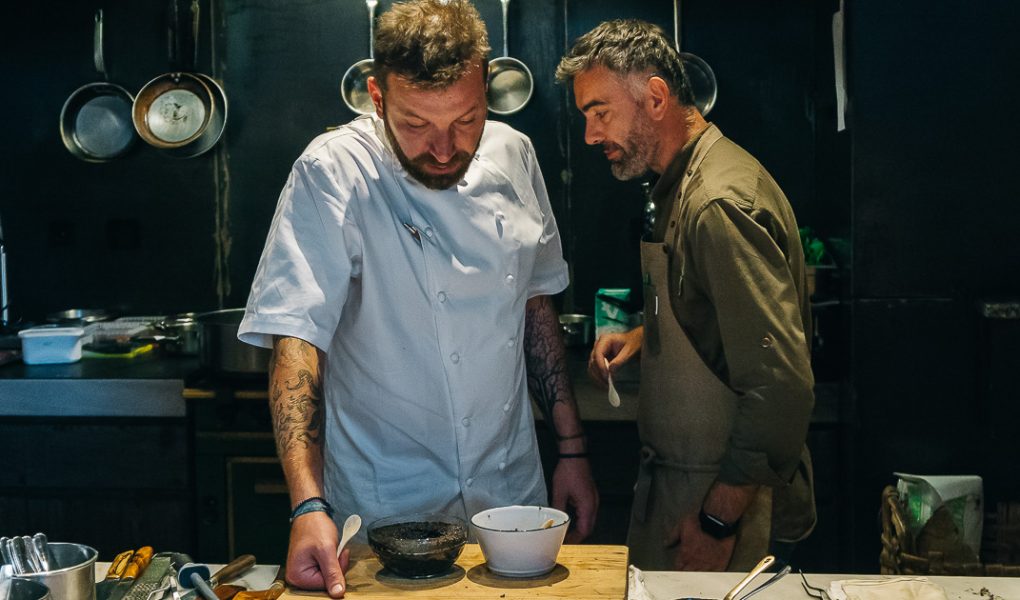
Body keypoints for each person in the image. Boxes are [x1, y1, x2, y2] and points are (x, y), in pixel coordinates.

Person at [238, 1, 598, 596]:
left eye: (466, 120)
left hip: (509, 494)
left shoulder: (515, 155)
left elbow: (536, 307)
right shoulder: (333, 171)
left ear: (485, 86)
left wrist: (573, 450)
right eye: (415, 124)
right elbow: (297, 340)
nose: (443, 148)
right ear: (377, 98)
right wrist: (307, 505)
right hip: (386, 507)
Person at [556, 19, 816, 572]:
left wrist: (717, 522)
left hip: (723, 506)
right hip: (684, 485)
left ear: (655, 97)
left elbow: (780, 386)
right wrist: (648, 335)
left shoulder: (716, 203)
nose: (591, 136)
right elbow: (721, 315)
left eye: (600, 113)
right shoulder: (679, 182)